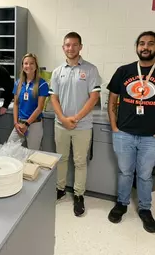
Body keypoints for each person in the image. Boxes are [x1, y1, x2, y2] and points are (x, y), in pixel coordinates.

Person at [107, 31, 155, 233]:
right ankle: (122, 203)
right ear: (136, 47)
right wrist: (114, 126)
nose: (146, 47)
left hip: (150, 136)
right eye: (142, 43)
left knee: (145, 175)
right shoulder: (124, 71)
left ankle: (145, 209)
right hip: (124, 133)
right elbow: (112, 101)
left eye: (151, 44)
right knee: (125, 172)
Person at [50, 32, 100, 216]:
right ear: (63, 48)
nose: (70, 48)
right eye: (67, 45)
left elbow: (94, 98)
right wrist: (63, 118)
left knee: (80, 162)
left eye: (74, 45)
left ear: (80, 47)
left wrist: (76, 118)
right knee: (61, 159)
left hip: (82, 126)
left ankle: (79, 195)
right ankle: (60, 189)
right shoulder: (57, 72)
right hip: (61, 124)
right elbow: (53, 97)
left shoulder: (91, 70)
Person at [7, 53, 49, 149]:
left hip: (34, 124)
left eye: (31, 63)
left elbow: (39, 108)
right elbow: (16, 104)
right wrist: (16, 123)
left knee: (32, 155)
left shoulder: (42, 84)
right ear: (22, 66)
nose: (28, 66)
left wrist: (26, 124)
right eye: (26, 63)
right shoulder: (18, 83)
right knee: (9, 149)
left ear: (36, 66)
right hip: (20, 123)